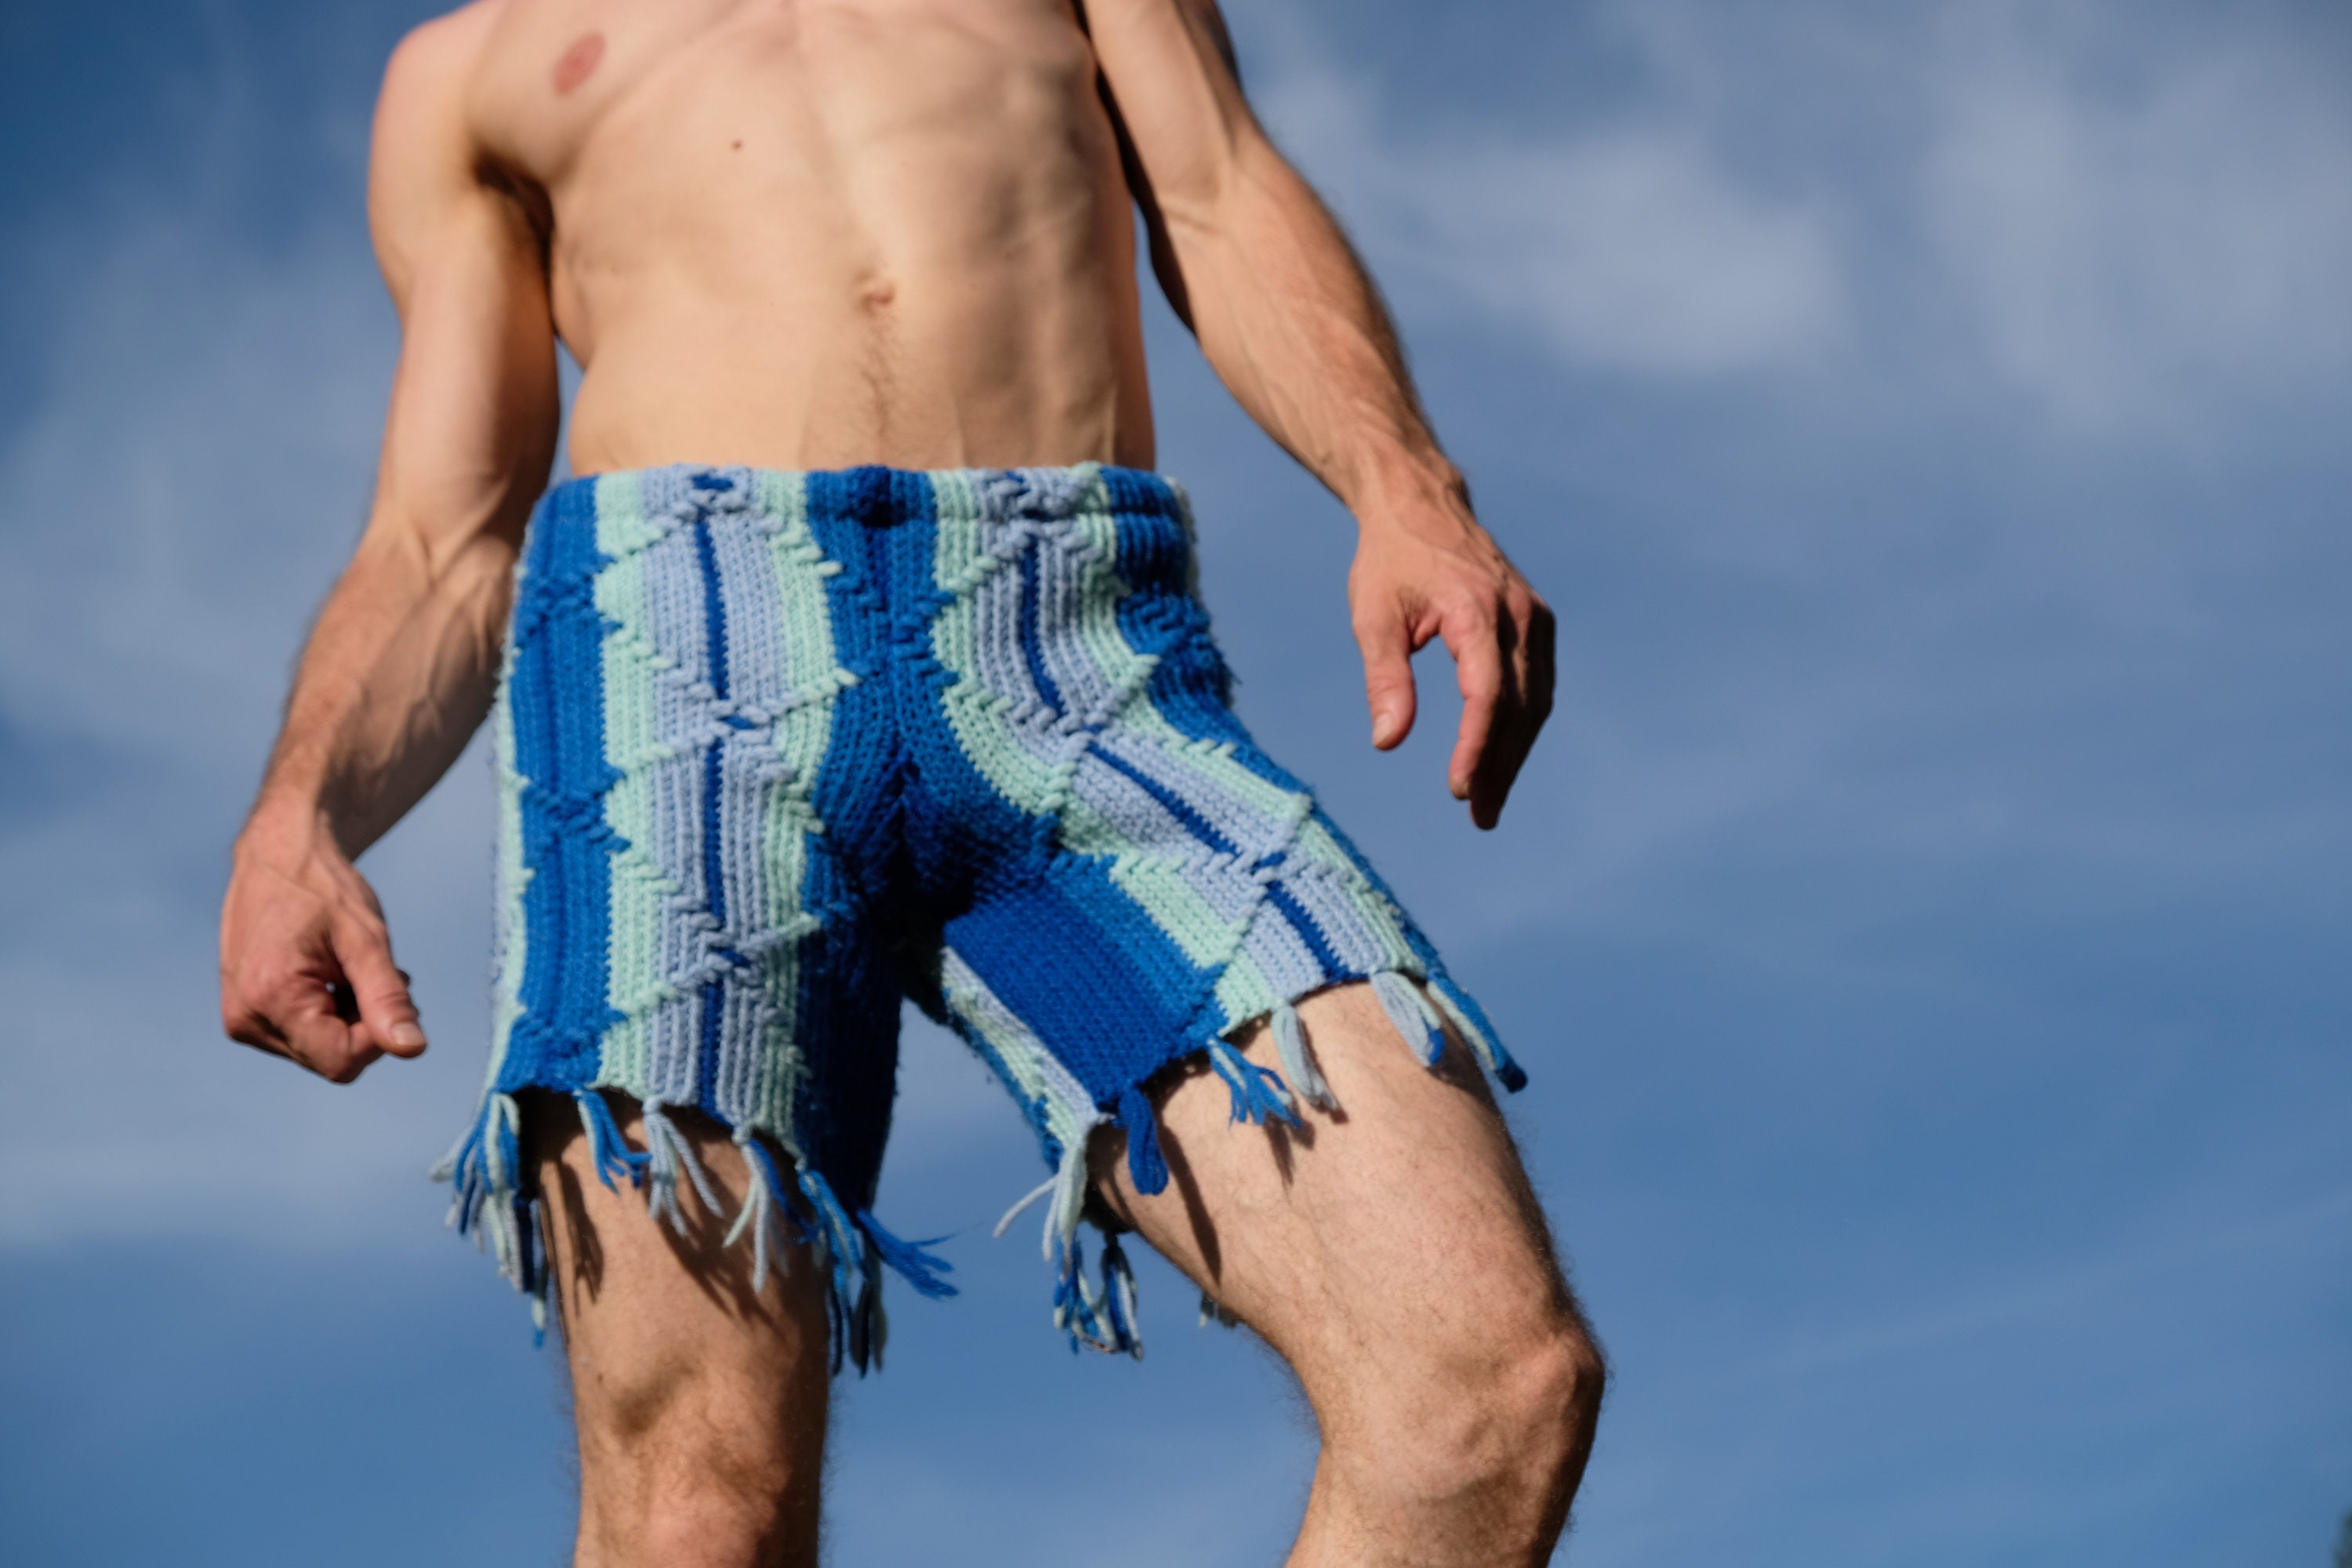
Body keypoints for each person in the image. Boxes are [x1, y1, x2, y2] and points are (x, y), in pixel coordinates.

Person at [217, 0, 1602, 1562]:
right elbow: (444, 531)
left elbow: (1214, 186)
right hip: (676, 661)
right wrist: (300, 813)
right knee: (699, 1509)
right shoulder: (472, 68)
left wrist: (1401, 481)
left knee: (1481, 1383)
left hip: (1073, 641)